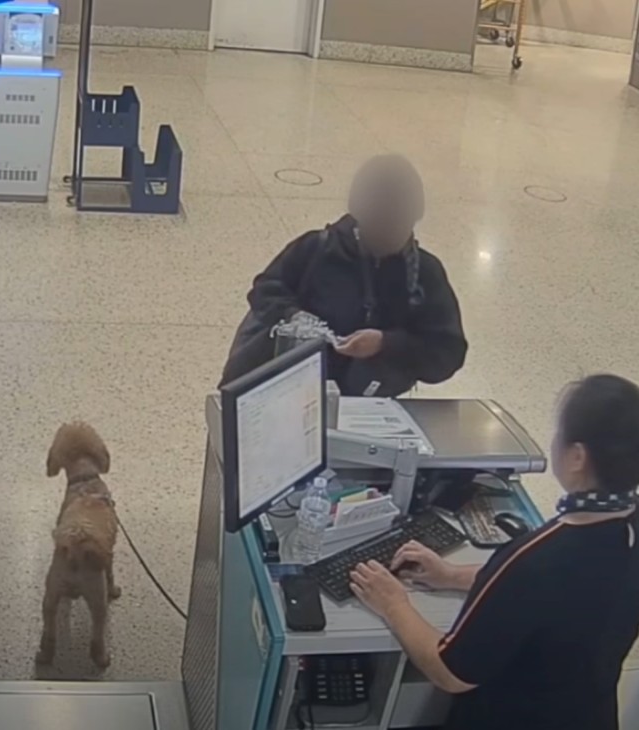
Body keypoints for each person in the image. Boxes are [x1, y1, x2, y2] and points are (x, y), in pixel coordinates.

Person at [351, 374, 639, 730]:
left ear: (577, 456)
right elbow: (554, 599)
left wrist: (392, 603)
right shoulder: (625, 525)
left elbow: (450, 671)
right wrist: (450, 575)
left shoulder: (538, 560)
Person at [221, 154, 467, 396]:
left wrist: (385, 343)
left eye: (400, 225)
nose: (389, 234)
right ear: (359, 216)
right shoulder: (315, 250)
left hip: (369, 405)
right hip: (292, 394)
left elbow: (447, 353)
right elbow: (264, 290)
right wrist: (295, 316)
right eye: (379, 223)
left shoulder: (425, 273)